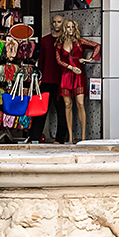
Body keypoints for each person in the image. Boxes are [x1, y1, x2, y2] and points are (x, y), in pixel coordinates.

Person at [55, 19, 99, 143]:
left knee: (80, 104)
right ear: (65, 28)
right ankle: (70, 136)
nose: (70, 30)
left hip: (78, 75)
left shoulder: (80, 42)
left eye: (72, 27)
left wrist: (87, 60)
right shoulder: (59, 44)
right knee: (68, 105)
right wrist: (71, 67)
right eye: (68, 27)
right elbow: (59, 61)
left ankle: (83, 136)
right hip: (66, 75)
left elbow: (97, 46)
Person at [30, 15, 67, 143]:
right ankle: (34, 137)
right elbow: (42, 61)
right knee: (40, 110)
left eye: (59, 22)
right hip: (46, 79)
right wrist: (40, 77)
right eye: (54, 22)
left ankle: (60, 138)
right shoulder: (45, 40)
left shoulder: (66, 40)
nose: (56, 24)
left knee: (62, 111)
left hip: (62, 81)